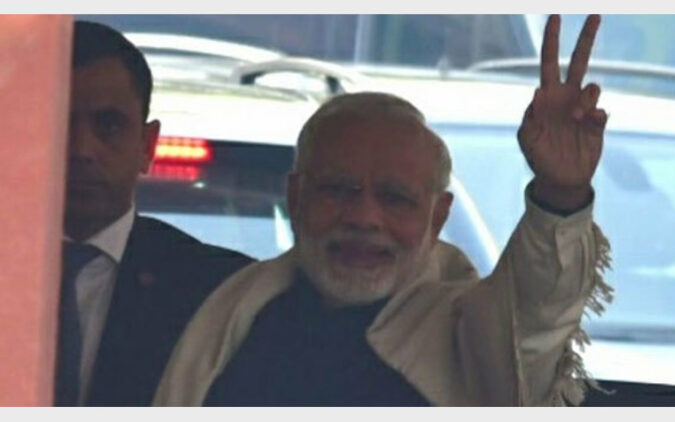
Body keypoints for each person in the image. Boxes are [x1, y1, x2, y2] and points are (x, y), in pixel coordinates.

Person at [153, 14, 612, 406]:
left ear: (438, 217)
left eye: (395, 198)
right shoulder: (230, 316)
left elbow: (537, 313)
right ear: (296, 198)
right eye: (338, 190)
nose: (363, 217)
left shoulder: (466, 334)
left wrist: (559, 194)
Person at [57, 21, 253, 406]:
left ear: (147, 145)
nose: (82, 149)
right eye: (60, 122)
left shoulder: (219, 295)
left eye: (108, 125)